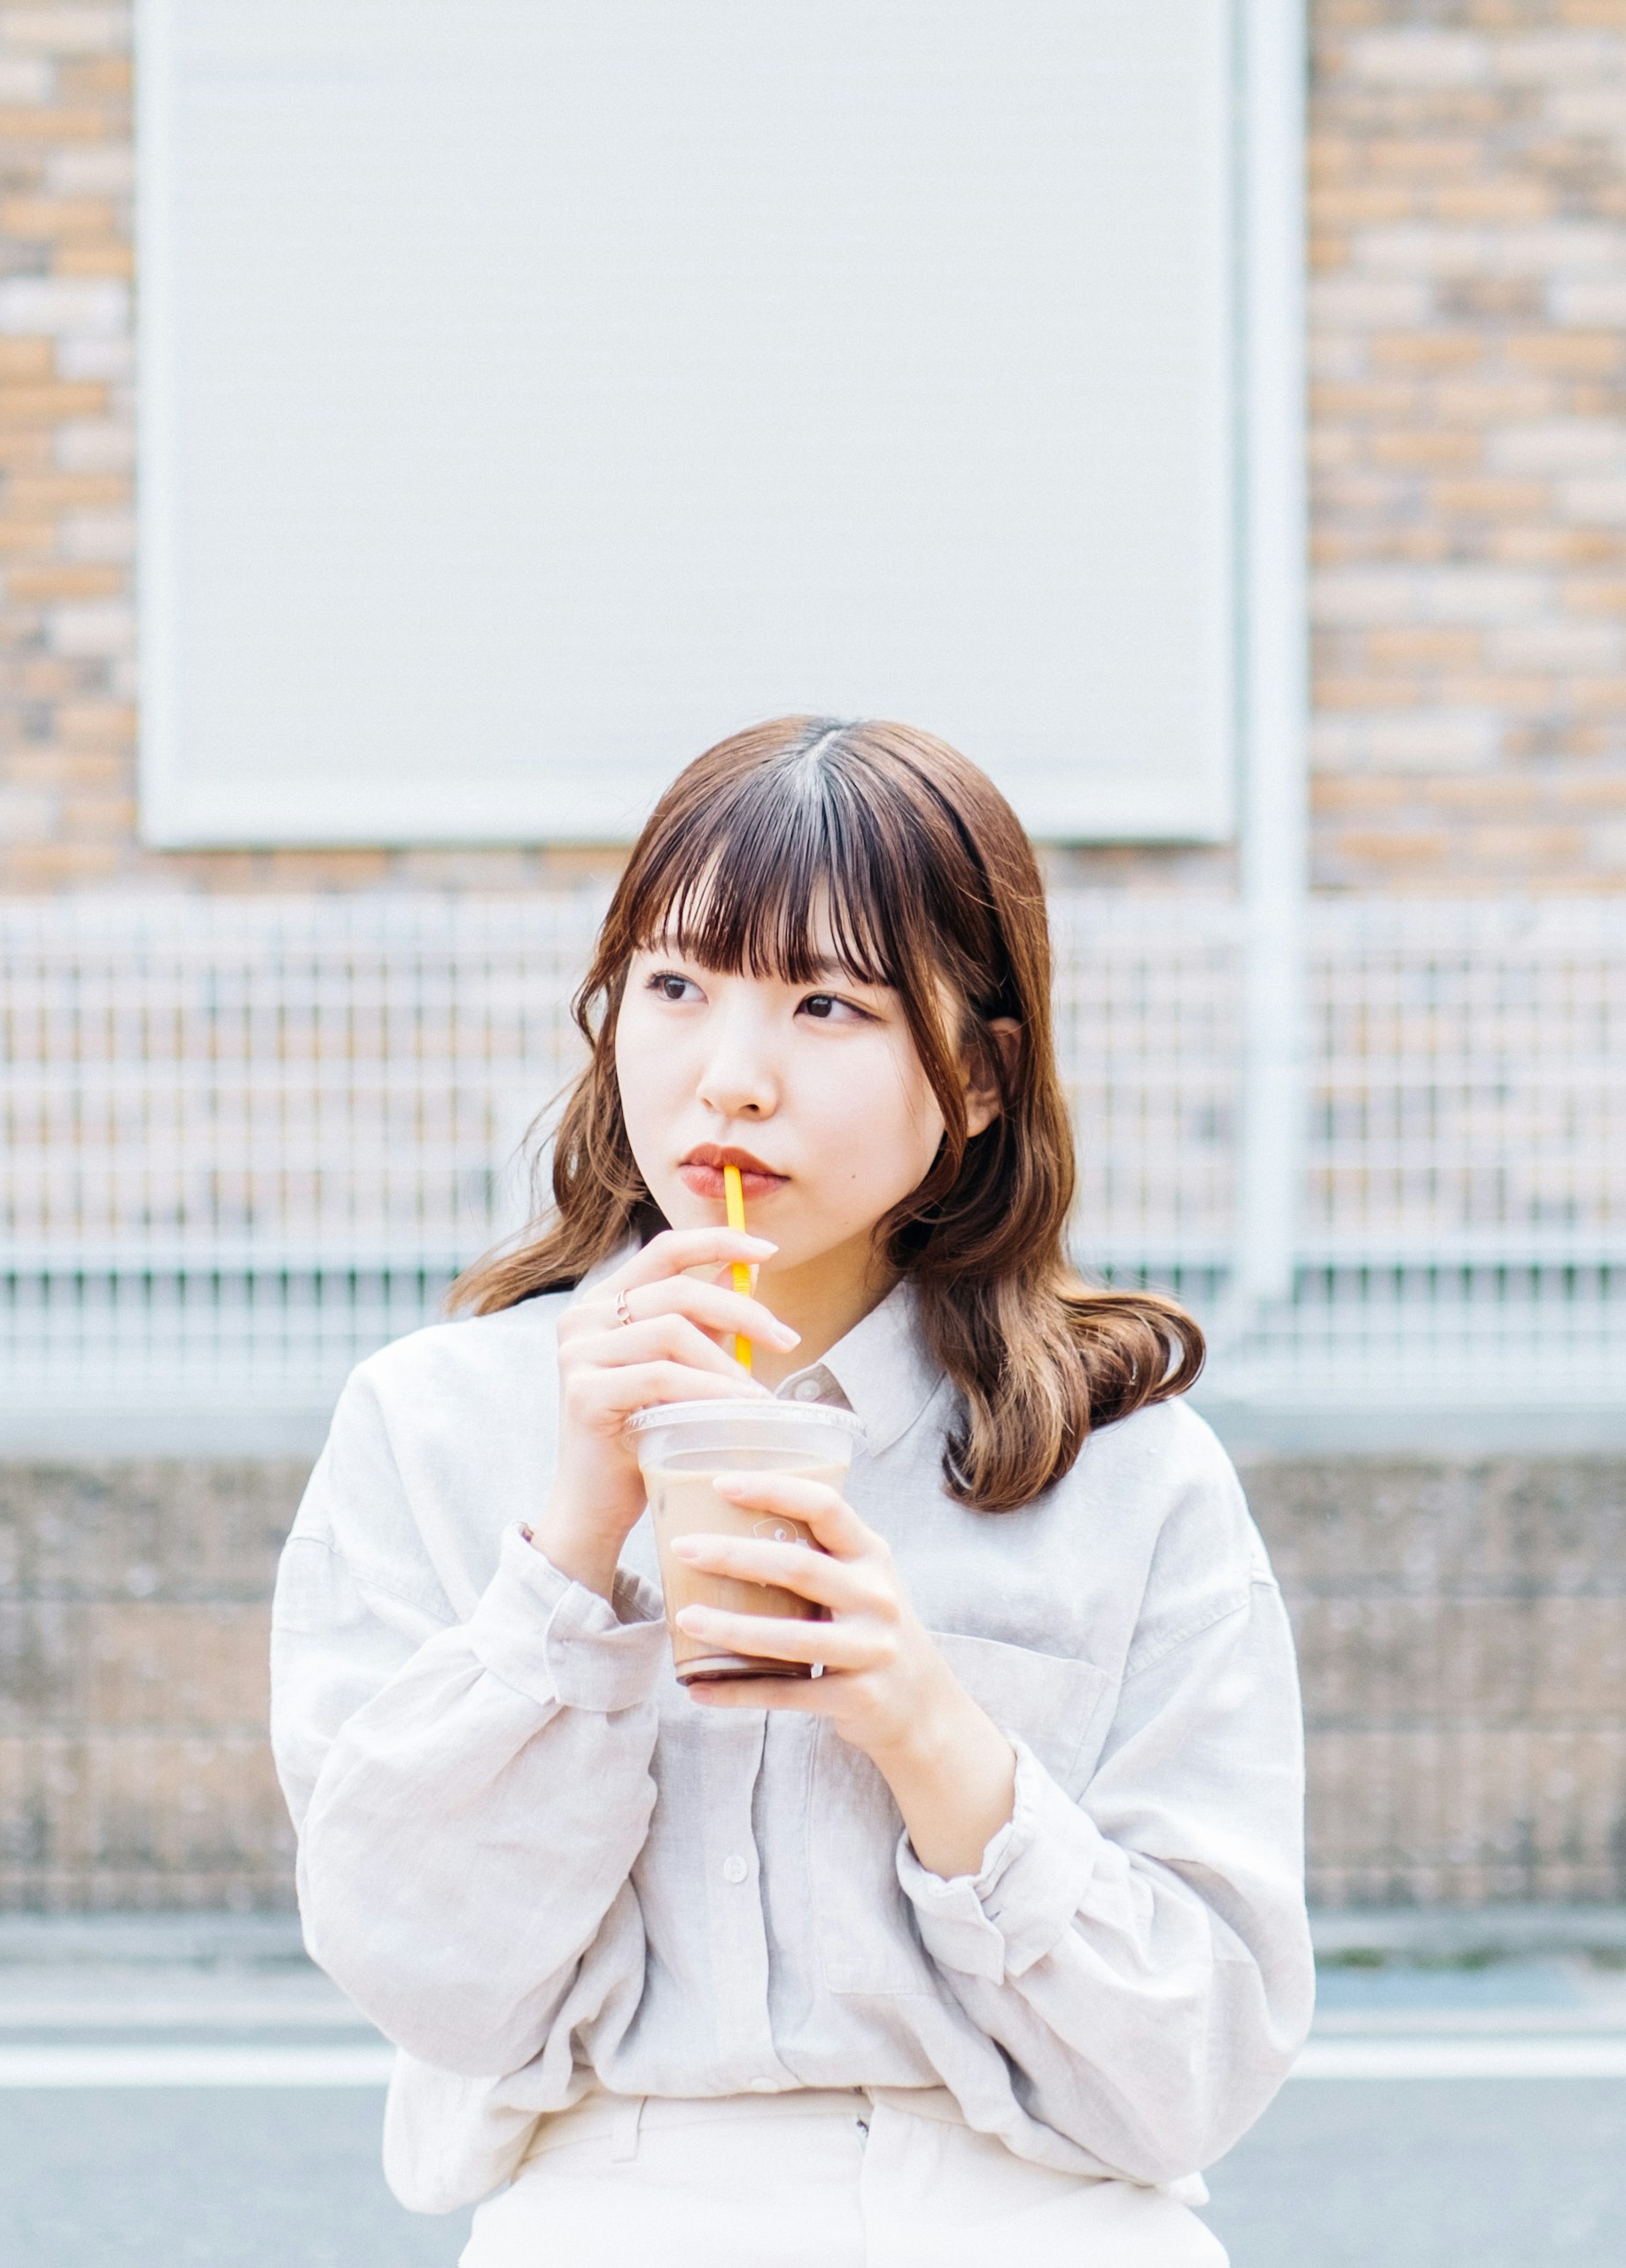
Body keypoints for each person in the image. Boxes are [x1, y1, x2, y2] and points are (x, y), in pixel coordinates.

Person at [269, 718, 1311, 2264]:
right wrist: (575, 1545)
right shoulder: (436, 1425)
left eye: (827, 1003)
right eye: (678, 986)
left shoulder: (1123, 1468)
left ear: (975, 1078)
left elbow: (1199, 2071)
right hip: (607, 2210)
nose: (730, 1080)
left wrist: (929, 1727)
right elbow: (424, 1973)